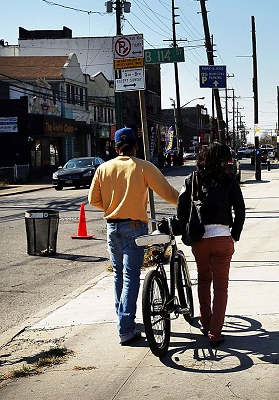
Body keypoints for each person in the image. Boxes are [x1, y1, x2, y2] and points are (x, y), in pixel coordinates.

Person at [88, 127, 180, 345]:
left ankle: (123, 318)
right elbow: (168, 193)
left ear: (116, 147)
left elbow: (93, 200)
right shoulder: (143, 167)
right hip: (135, 228)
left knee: (119, 275)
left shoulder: (103, 168)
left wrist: (111, 207)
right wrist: (185, 203)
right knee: (131, 277)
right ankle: (125, 329)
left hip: (112, 227)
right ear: (136, 146)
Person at [176, 142, 245, 346]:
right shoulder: (230, 181)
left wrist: (188, 230)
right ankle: (215, 333)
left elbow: (181, 210)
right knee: (221, 286)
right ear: (224, 161)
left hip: (200, 240)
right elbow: (240, 211)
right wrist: (234, 235)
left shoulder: (192, 180)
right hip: (223, 238)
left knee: (204, 279)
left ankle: (205, 323)